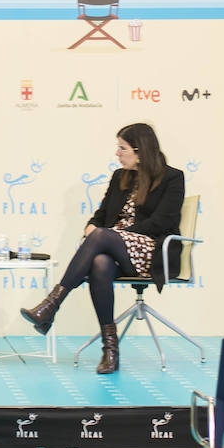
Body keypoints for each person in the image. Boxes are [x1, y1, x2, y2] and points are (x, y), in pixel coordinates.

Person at [19, 122, 183, 374]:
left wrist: (114, 235)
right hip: (116, 247)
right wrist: (92, 226)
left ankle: (52, 305)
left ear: (140, 151)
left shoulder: (172, 177)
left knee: (103, 237)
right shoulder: (120, 177)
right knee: (99, 264)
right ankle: (110, 349)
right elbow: (102, 214)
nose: (117, 154)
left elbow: (163, 221)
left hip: (151, 250)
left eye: (122, 148)